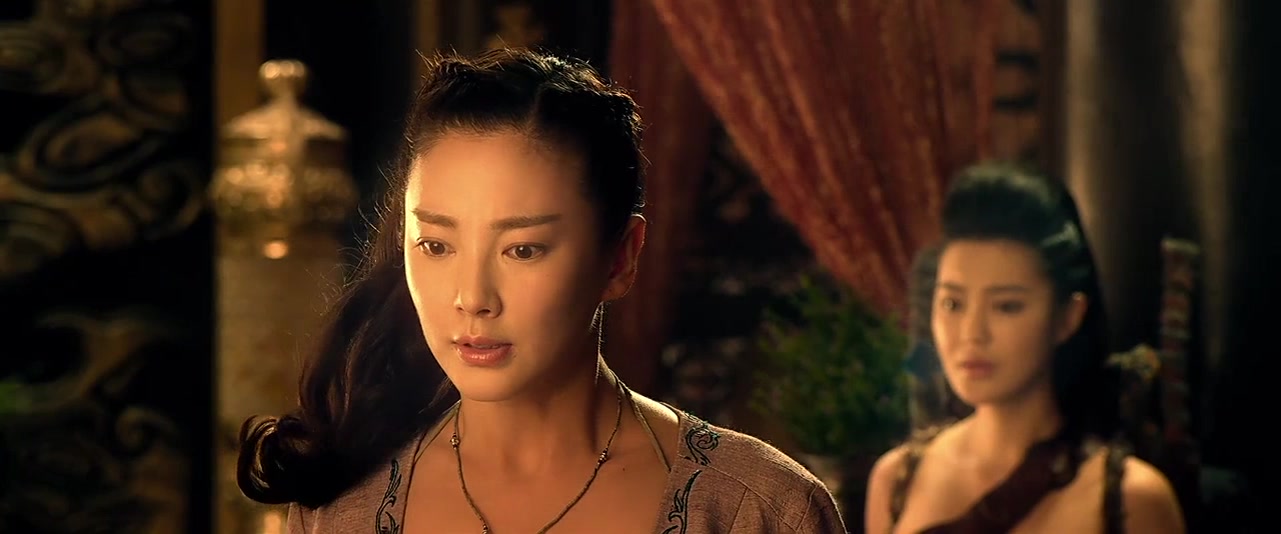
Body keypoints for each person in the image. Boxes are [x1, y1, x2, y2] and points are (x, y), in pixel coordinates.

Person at [236, 48, 845, 533]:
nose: (472, 297)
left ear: (621, 257)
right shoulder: (341, 508)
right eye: (437, 246)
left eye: (522, 250)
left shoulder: (757, 509)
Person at [864, 163, 1185, 534]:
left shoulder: (1131, 499)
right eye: (952, 304)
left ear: (1068, 317)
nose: (971, 333)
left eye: (1006, 306)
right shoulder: (896, 480)